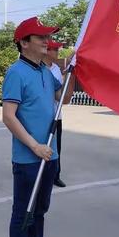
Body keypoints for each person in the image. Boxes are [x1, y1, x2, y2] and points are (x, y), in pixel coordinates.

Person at [2, 16, 74, 237]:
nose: (47, 42)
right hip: (29, 157)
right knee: (23, 213)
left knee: (40, 210)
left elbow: (63, 99)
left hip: (49, 154)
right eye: (40, 38)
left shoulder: (46, 71)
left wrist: (72, 71)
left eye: (47, 38)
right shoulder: (16, 73)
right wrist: (33, 145)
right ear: (23, 42)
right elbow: (8, 117)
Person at [43, 39, 68, 187]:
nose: (58, 53)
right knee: (43, 147)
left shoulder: (56, 69)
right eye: (56, 50)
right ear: (47, 51)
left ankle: (55, 175)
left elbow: (62, 94)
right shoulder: (40, 69)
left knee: (56, 148)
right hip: (44, 116)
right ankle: (42, 174)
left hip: (57, 116)